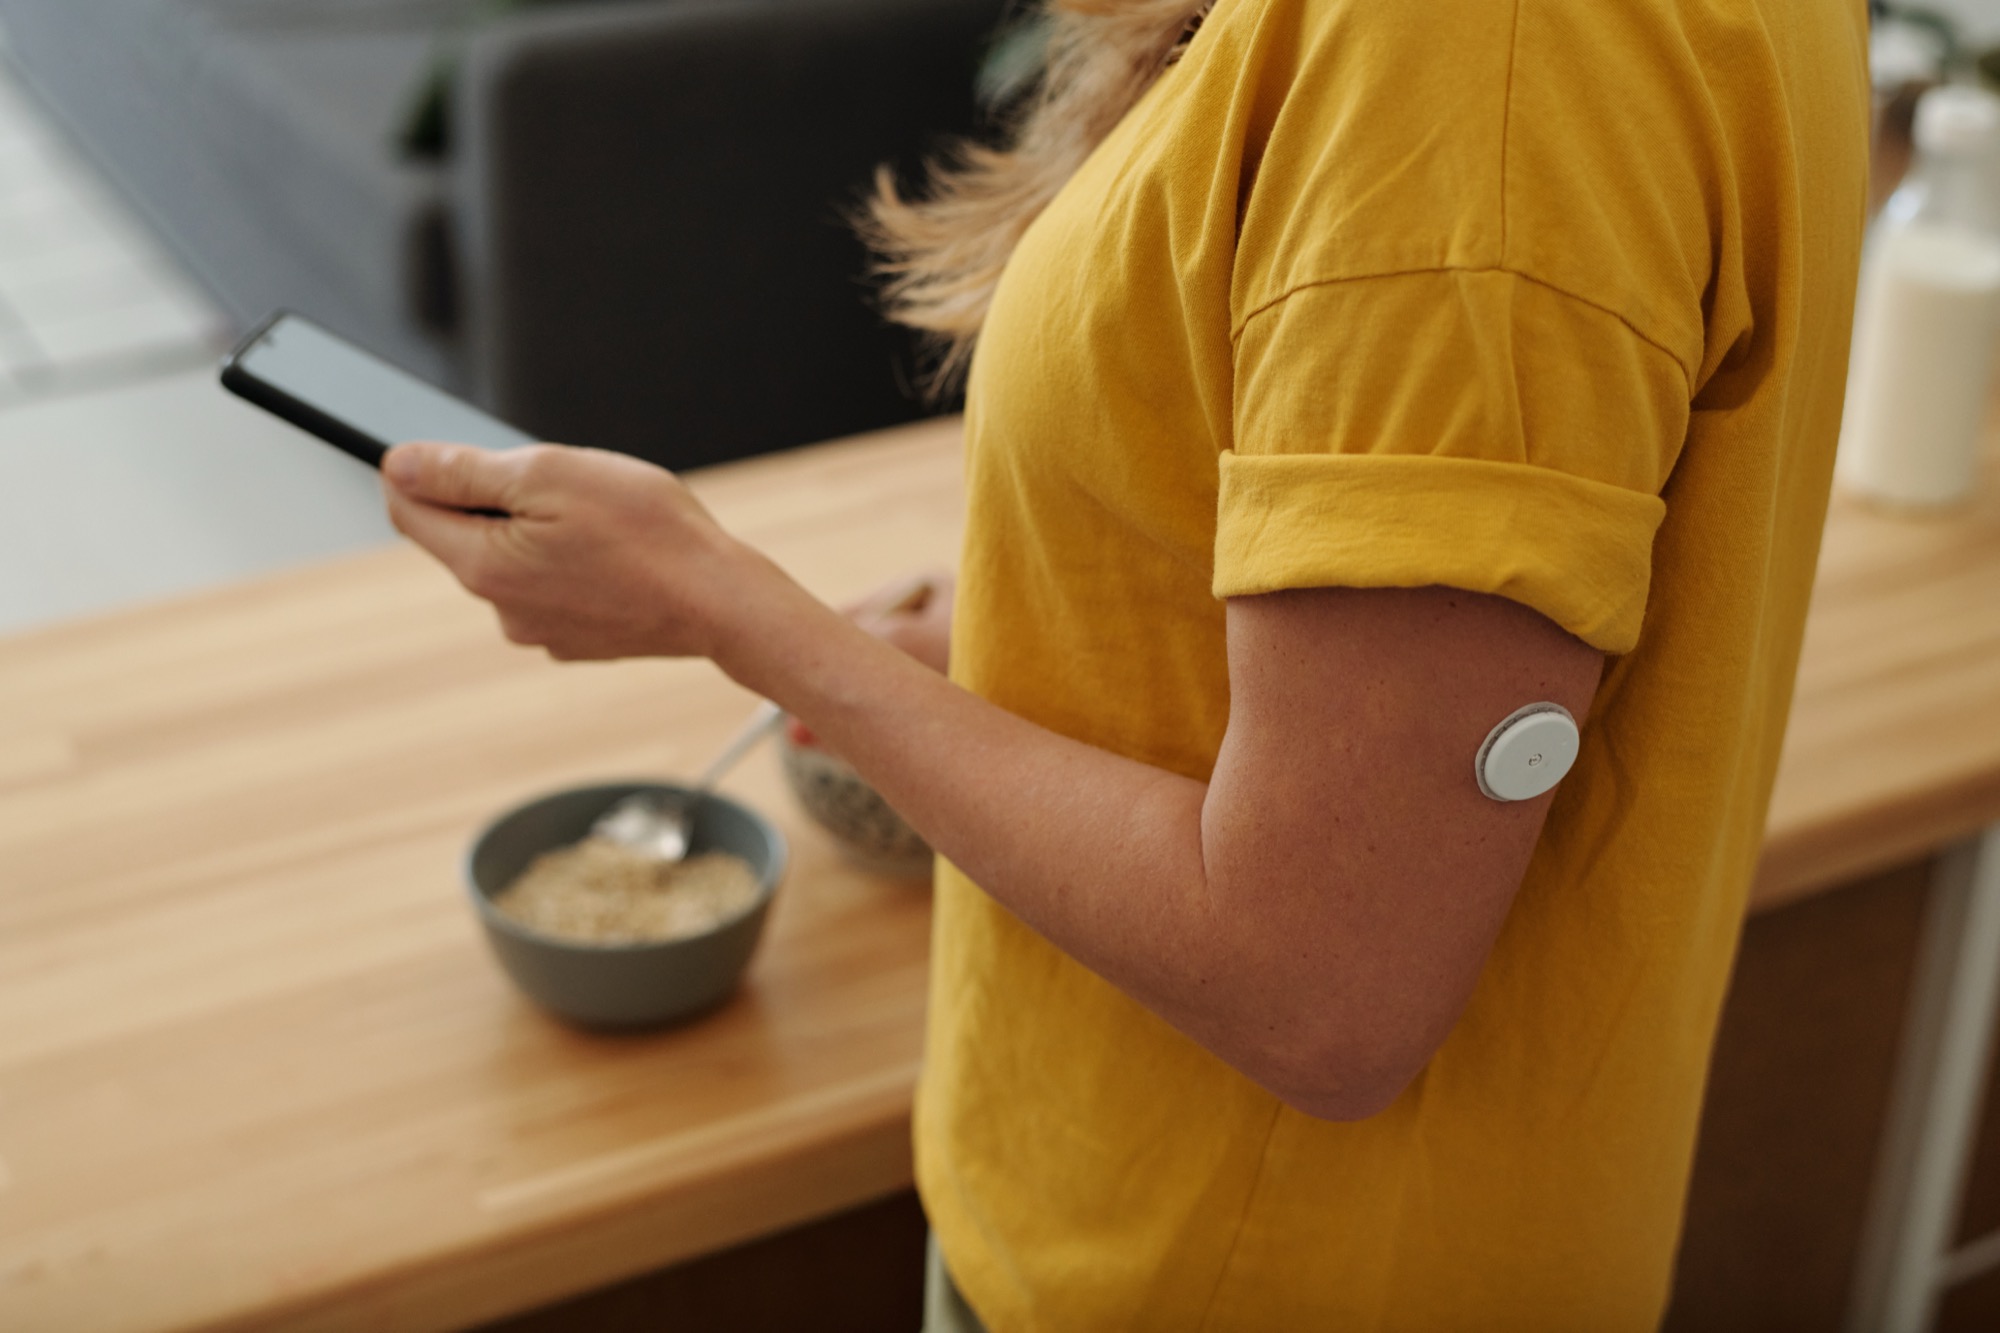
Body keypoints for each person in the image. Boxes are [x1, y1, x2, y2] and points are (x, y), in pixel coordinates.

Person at [380, 0, 1869, 1324]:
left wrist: (742, 617)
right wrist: (1022, 629)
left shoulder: (1476, 68)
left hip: (1229, 1269)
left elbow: (1320, 985)